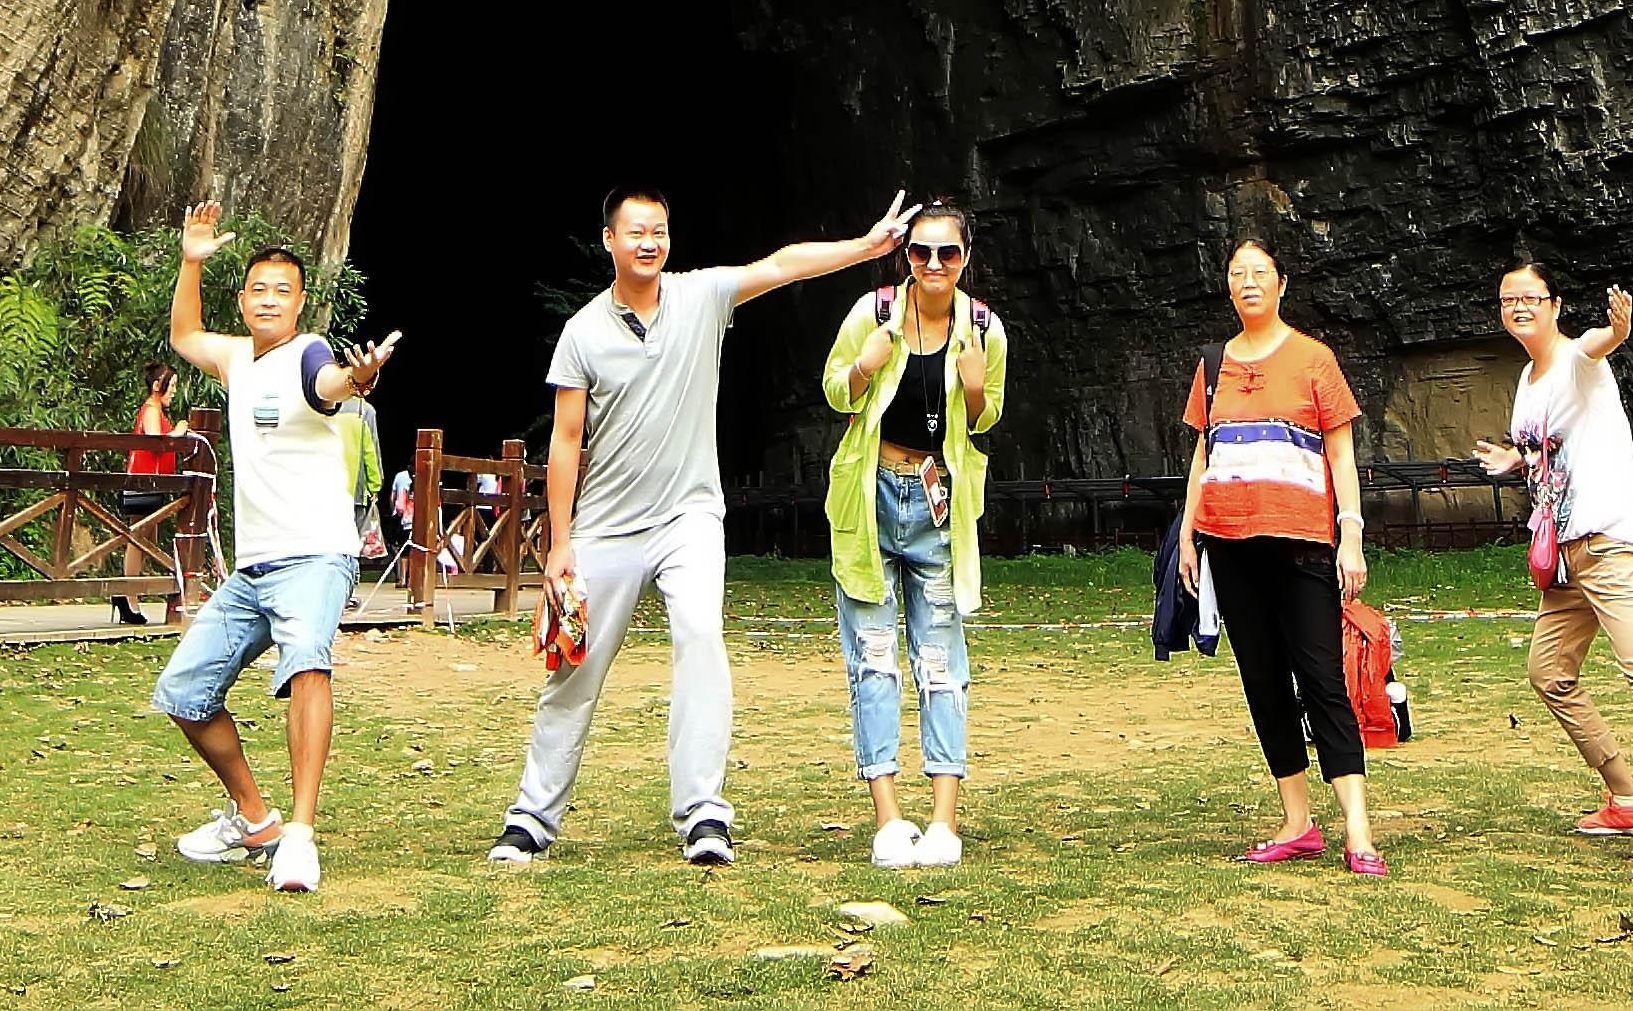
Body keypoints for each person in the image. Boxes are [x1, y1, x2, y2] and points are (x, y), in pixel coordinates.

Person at [491, 183, 919, 870]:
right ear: (610, 240)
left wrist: (865, 247)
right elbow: (566, 441)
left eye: (658, 229)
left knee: (701, 642)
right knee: (577, 669)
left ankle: (704, 814)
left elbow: (781, 266)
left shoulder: (699, 297)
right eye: (635, 231)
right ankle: (531, 818)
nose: (649, 242)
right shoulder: (584, 332)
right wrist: (560, 542)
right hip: (604, 526)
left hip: (689, 516)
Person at [147, 202, 399, 895]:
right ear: (244, 297)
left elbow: (329, 385)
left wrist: (361, 378)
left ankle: (300, 838)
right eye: (258, 288)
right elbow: (185, 332)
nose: (268, 299)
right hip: (254, 566)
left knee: (307, 669)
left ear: (299, 303)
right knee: (185, 692)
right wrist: (191, 261)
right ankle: (254, 820)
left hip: (316, 555)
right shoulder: (234, 357)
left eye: (282, 290)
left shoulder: (309, 352)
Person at [1470, 264, 1633, 885]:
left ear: (1555, 304)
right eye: (1508, 300)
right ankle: (1629, 800)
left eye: (1531, 298)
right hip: (1563, 556)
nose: (1519, 307)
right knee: (1549, 673)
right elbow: (1553, 447)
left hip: (1610, 543)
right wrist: (1516, 457)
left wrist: (1616, 328)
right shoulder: (1529, 378)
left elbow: (1598, 343)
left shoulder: (1579, 356)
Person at [1178, 236, 1386, 877]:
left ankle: (1358, 829)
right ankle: (1298, 821)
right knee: (1262, 680)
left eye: (1259, 273)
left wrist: (1350, 536)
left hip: (1302, 543)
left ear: (1282, 284)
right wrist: (1188, 535)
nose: (1248, 283)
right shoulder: (1213, 365)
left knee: (1322, 678)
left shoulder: (1315, 360)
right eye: (1237, 273)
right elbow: (1201, 454)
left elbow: (1342, 455)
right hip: (1230, 541)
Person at [822, 196, 1007, 870]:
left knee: (939, 664)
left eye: (948, 252)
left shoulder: (985, 329)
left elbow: (984, 422)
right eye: (922, 252)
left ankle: (944, 822)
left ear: (965, 259)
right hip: (871, 494)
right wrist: (867, 365)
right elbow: (836, 392)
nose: (934, 264)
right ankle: (889, 819)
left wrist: (977, 389)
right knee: (872, 658)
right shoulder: (872, 315)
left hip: (938, 506)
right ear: (907, 257)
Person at [115, 366, 185, 626]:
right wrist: (178, 432)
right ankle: (128, 595)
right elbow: (156, 440)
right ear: (158, 385)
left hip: (152, 482)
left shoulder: (155, 410)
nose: (175, 392)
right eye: (172, 385)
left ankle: (131, 592)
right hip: (143, 481)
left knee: (146, 538)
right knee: (138, 538)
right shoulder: (152, 410)